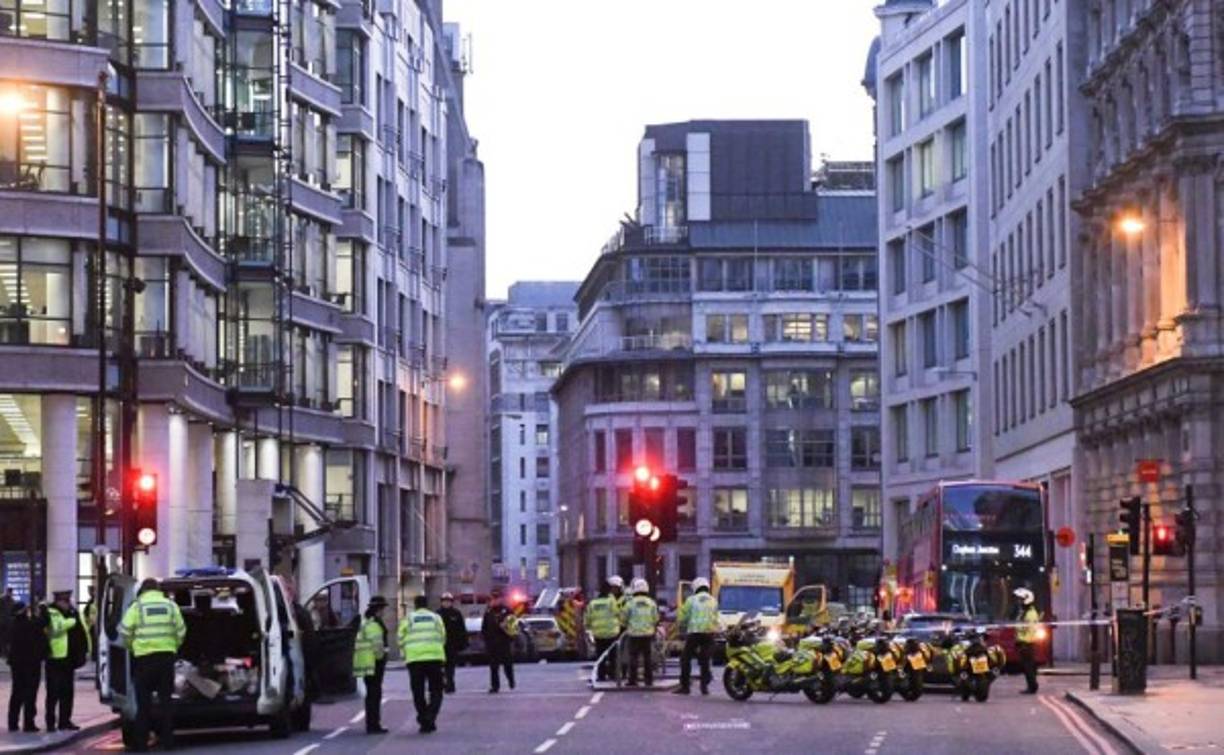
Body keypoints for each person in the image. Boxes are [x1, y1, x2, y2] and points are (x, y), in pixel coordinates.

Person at [120, 578, 186, 752]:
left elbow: (124, 631)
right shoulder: (171, 606)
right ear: (159, 590)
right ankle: (168, 742)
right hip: (166, 658)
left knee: (144, 705)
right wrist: (173, 646)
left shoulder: (137, 607)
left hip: (144, 660)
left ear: (142, 590)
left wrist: (132, 647)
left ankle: (142, 744)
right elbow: (181, 631)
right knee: (166, 703)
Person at [399, 595, 446, 734]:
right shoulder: (436, 618)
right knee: (436, 690)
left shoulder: (408, 619)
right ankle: (430, 716)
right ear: (427, 605)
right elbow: (443, 636)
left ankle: (423, 717)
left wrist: (405, 654)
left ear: (415, 605)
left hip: (414, 660)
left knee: (417, 691)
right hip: (434, 658)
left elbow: (400, 638)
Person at [43, 589, 80, 732]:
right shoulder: (51, 612)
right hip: (54, 658)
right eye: (66, 601)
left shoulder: (70, 612)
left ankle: (65, 721)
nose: (68, 603)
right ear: (58, 601)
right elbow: (57, 628)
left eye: (69, 600)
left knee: (67, 692)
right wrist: (72, 621)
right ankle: (50, 722)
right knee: (53, 692)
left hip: (67, 659)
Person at [7, 601, 47, 732]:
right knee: (30, 693)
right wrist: (42, 609)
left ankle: (13, 722)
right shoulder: (29, 624)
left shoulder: (12, 625)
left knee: (17, 692)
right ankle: (28, 723)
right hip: (31, 663)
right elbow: (43, 622)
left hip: (16, 663)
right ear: (24, 611)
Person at [673, 577, 718, 695]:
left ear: (695, 588)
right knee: (705, 659)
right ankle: (704, 687)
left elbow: (683, 618)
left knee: (685, 659)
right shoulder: (713, 600)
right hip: (709, 633)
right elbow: (716, 617)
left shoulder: (691, 600)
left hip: (694, 632)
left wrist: (681, 626)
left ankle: (685, 687)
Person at [352, 596, 389, 734]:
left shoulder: (366, 622)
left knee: (371, 694)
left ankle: (372, 723)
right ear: (378, 609)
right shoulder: (374, 624)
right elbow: (377, 646)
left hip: (367, 663)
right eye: (383, 608)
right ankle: (374, 725)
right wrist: (382, 656)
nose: (384, 611)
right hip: (374, 663)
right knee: (375, 694)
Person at [621, 579, 658, 687]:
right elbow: (655, 619)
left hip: (634, 634)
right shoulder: (651, 603)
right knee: (647, 657)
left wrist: (626, 626)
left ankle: (633, 680)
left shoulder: (630, 603)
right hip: (647, 634)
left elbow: (623, 619)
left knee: (633, 657)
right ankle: (649, 680)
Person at [481, 593, 517, 693]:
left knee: (507, 664)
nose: (493, 601)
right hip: (492, 644)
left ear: (501, 599)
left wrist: (505, 628)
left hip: (504, 643)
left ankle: (511, 680)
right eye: (492, 599)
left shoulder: (507, 611)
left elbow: (513, 628)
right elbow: (484, 628)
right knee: (493, 667)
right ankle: (495, 686)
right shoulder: (488, 612)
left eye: (496, 599)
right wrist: (486, 640)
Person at [585, 582, 621, 682]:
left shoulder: (593, 603)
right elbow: (617, 613)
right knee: (613, 656)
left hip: (598, 633)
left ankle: (601, 676)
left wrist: (589, 628)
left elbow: (587, 618)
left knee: (600, 655)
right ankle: (613, 675)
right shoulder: (611, 601)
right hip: (611, 633)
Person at [437, 593, 467, 693]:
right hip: (439, 645)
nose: (446, 603)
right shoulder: (437, 614)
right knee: (440, 667)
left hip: (452, 645)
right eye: (445, 601)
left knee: (450, 667)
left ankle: (450, 684)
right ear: (441, 602)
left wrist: (463, 643)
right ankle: (442, 683)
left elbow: (461, 629)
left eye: (448, 601)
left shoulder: (456, 614)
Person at [1013, 588, 1041, 694]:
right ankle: (1031, 685)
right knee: (1026, 667)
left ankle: (1032, 686)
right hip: (1022, 643)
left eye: (1020, 599)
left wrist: (1024, 642)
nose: (1018, 601)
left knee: (1028, 667)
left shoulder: (1031, 614)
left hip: (1027, 644)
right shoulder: (1024, 612)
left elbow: (1030, 629)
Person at [0, 588, 14, 659]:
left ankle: (5, 653)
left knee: (6, 638)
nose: (10, 593)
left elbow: (12, 612)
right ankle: (3, 653)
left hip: (8, 622)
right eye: (9, 592)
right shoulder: (2, 600)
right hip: (3, 622)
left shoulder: (12, 600)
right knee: (3, 638)